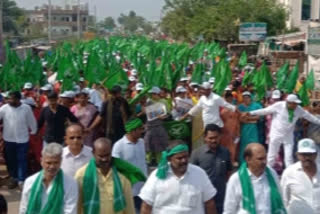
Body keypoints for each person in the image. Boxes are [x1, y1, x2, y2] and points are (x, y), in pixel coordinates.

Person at [139, 140, 218, 214]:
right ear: (170, 158)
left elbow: (210, 203)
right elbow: (146, 206)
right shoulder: (156, 176)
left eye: (186, 157)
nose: (184, 160)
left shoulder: (199, 174)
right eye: (179, 158)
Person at [247, 94, 320, 168]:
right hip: (276, 134)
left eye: (296, 103)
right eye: (294, 103)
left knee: (288, 158)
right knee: (271, 156)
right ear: (288, 102)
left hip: (288, 135)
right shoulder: (279, 105)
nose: (296, 105)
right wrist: (251, 113)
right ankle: (268, 172)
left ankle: (290, 174)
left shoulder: (298, 109)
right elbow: (265, 111)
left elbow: (310, 117)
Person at [75, 138, 137, 214]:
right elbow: (76, 206)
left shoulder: (122, 174)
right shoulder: (82, 175)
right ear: (93, 153)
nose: (104, 159)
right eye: (101, 156)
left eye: (107, 155)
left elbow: (129, 207)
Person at [223, 143, 286, 214]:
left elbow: (280, 199)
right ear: (248, 159)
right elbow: (229, 210)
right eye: (260, 159)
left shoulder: (271, 174)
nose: (264, 162)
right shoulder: (236, 179)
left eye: (265, 158)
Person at [19, 143, 78, 214]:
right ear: (41, 161)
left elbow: (70, 211)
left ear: (61, 161)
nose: (52, 166)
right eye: (48, 163)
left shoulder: (70, 183)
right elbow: (24, 208)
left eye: (56, 162)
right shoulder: (30, 181)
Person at [190, 124, 232, 214]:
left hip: (221, 198)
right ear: (205, 138)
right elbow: (190, 175)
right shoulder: (197, 153)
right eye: (210, 138)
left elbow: (228, 172)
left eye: (216, 137)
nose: (214, 140)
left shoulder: (225, 152)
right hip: (203, 199)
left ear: (220, 136)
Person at [0, 91, 37, 189]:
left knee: (22, 160)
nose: (9, 101)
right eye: (9, 98)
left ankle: (21, 180)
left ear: (18, 99)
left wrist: (33, 131)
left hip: (22, 139)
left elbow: (31, 121)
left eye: (12, 99)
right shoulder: (4, 108)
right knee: (11, 160)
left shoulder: (26, 108)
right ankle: (14, 178)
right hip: (8, 139)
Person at [112, 118, 147, 213]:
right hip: (129, 191)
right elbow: (116, 168)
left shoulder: (142, 143)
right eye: (140, 129)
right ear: (133, 130)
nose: (142, 131)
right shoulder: (119, 146)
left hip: (143, 189)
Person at [281, 138, 320, 213]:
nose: (307, 158)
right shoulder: (289, 173)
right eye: (303, 154)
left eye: (310, 154)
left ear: (315, 155)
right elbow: (284, 199)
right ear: (297, 155)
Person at [238, 91, 262, 163]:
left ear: (250, 98)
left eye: (247, 97)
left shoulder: (256, 105)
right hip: (244, 129)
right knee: (244, 146)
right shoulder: (240, 107)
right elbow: (240, 119)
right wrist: (252, 119)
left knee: (254, 144)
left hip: (253, 129)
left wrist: (248, 118)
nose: (246, 99)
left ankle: (254, 160)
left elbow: (258, 117)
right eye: (244, 97)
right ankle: (243, 162)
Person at [220, 91, 240, 164]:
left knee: (233, 147)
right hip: (225, 132)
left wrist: (237, 131)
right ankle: (225, 161)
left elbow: (237, 120)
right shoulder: (222, 110)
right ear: (225, 99)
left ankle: (232, 161)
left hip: (234, 130)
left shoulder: (235, 109)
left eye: (230, 98)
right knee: (225, 147)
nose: (229, 99)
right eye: (227, 98)